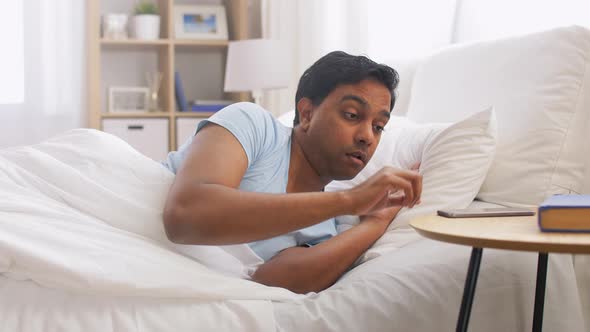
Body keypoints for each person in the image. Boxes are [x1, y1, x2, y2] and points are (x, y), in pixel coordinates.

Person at [162, 51, 422, 294]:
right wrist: (351, 200)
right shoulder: (254, 125)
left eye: (378, 126)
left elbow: (270, 285)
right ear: (307, 113)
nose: (367, 136)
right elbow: (185, 215)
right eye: (352, 115)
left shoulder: (324, 229)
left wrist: (376, 223)